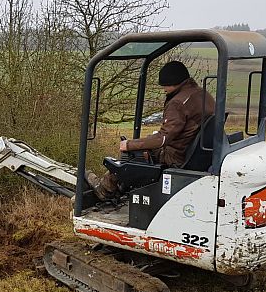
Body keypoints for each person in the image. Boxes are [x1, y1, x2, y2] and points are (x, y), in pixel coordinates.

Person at [88, 60, 216, 200]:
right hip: (195, 154)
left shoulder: (177, 103)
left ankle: (105, 189)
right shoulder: (202, 94)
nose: (164, 90)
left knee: (135, 153)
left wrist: (130, 144)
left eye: (165, 86)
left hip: (177, 157)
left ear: (173, 82)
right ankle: (121, 187)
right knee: (145, 145)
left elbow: (163, 138)